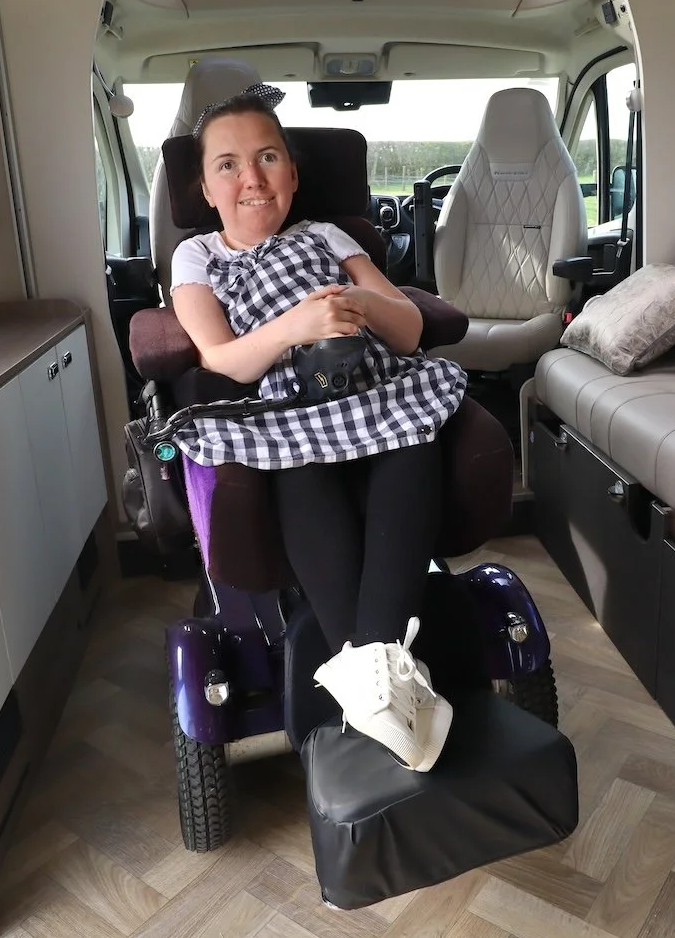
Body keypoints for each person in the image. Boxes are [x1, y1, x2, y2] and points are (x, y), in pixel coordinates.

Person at [167, 83, 467, 772]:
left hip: (373, 388)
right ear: (206, 189)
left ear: (293, 175)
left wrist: (361, 299)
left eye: (268, 157)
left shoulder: (327, 236)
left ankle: (368, 676)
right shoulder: (198, 258)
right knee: (295, 471)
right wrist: (295, 326)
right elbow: (222, 358)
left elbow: (410, 327)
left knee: (412, 439)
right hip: (285, 405)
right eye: (228, 164)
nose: (251, 177)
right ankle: (383, 686)